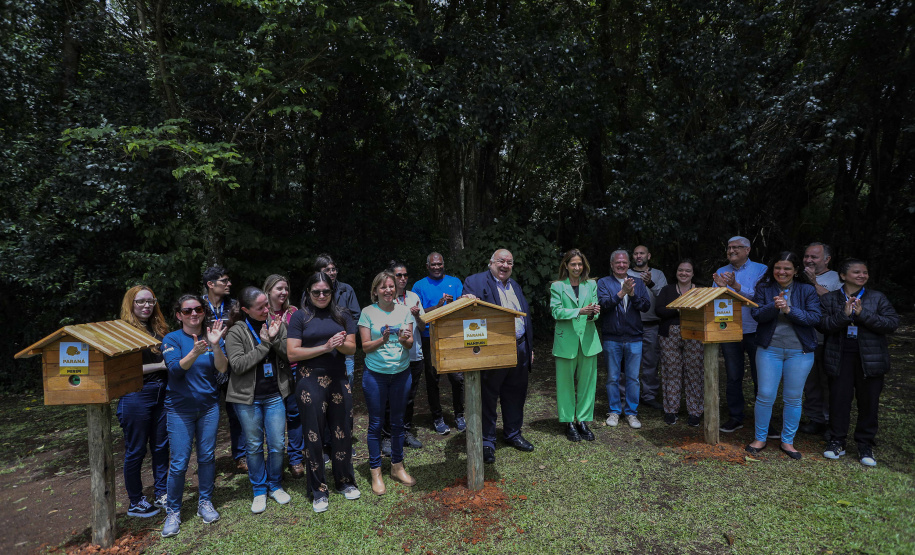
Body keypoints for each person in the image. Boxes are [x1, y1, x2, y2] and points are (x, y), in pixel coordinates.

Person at [288, 272, 360, 511]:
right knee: (314, 434)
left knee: (343, 431)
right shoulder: (300, 317)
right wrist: (325, 347)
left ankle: (344, 481)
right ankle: (318, 489)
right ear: (308, 292)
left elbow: (352, 349)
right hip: (309, 379)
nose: (321, 295)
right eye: (316, 291)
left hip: (339, 378)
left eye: (326, 292)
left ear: (332, 292)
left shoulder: (342, 315)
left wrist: (339, 345)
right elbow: (292, 353)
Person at [819, 259, 899, 467]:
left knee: (869, 402)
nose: (862, 275)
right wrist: (844, 315)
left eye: (865, 272)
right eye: (856, 272)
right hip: (840, 356)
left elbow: (891, 324)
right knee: (839, 400)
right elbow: (823, 325)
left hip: (870, 359)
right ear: (843, 276)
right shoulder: (829, 299)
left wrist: (863, 314)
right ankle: (837, 441)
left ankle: (865, 444)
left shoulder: (877, 298)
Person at [160, 294, 227, 537]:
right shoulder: (172, 339)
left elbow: (222, 368)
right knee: (179, 463)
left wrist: (216, 344)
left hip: (209, 407)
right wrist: (196, 351)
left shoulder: (212, 336)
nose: (193, 314)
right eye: (187, 311)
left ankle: (204, 503)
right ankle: (173, 512)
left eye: (197, 309)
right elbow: (176, 369)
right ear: (179, 315)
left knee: (207, 457)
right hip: (180, 410)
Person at [745, 252, 821, 460]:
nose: (782, 272)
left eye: (787, 268)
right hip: (770, 350)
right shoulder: (764, 289)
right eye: (778, 267)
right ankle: (760, 438)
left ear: (796, 271)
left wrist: (789, 310)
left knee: (793, 398)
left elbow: (814, 318)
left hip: (800, 352)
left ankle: (787, 441)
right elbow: (757, 314)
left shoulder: (806, 290)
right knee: (765, 395)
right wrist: (774, 306)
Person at [225, 287, 292, 514]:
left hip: (274, 395)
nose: (267, 310)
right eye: (261, 307)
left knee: (277, 444)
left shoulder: (277, 324)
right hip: (247, 400)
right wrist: (264, 345)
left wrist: (273, 339)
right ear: (246, 310)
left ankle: (275, 485)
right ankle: (259, 490)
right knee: (253, 446)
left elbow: (289, 354)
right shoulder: (236, 331)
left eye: (267, 305)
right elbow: (238, 365)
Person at [464, 249, 535, 464]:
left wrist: (529, 347)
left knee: (516, 392)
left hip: (520, 348)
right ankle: (487, 442)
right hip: (492, 349)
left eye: (509, 262)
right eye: (501, 261)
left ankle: (513, 433)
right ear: (490, 263)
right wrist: (466, 300)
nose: (505, 265)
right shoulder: (474, 282)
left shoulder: (515, 286)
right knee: (488, 395)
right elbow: (467, 311)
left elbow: (525, 317)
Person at [359, 271, 417, 494]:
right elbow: (364, 347)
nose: (388, 290)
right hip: (375, 375)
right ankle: (376, 471)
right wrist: (381, 340)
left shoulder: (403, 311)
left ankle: (397, 466)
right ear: (375, 291)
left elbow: (409, 343)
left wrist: (405, 340)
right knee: (375, 424)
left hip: (401, 373)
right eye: (383, 287)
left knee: (398, 422)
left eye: (391, 286)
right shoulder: (367, 313)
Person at [117, 285, 170, 518]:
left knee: (161, 446)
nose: (147, 306)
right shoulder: (122, 331)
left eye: (151, 301)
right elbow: (121, 370)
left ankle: (162, 494)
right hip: (136, 394)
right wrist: (159, 366)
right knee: (136, 450)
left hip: (162, 392)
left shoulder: (158, 328)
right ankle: (136, 501)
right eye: (140, 302)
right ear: (131, 304)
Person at [712, 236, 767, 433]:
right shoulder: (720, 272)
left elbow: (760, 298)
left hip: (756, 330)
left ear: (748, 250)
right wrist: (719, 289)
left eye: (737, 247)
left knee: (760, 376)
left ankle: (763, 419)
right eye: (729, 247)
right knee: (733, 375)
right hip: (729, 330)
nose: (732, 250)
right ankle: (736, 417)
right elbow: (714, 302)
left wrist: (735, 287)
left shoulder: (761, 270)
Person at [411, 252, 467, 434]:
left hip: (452, 335)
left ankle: (460, 415)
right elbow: (418, 314)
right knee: (432, 378)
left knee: (457, 378)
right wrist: (439, 304)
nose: (437, 267)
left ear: (444, 265)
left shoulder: (455, 282)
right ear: (427, 266)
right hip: (429, 336)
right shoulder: (419, 286)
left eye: (439, 264)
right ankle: (437, 417)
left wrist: (453, 303)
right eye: (433, 265)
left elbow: (462, 305)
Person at [550, 249, 601, 442]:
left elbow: (594, 314)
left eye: (580, 264)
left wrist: (592, 312)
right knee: (565, 384)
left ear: (584, 266)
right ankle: (568, 421)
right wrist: (579, 310)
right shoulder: (557, 286)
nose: (577, 268)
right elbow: (556, 312)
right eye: (573, 264)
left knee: (588, 384)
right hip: (566, 341)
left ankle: (583, 421)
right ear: (566, 265)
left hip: (588, 341)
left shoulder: (591, 285)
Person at [597, 250, 650, 429]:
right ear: (612, 264)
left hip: (635, 337)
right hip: (612, 337)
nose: (621, 265)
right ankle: (614, 411)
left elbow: (645, 305)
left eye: (624, 262)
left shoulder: (639, 282)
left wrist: (633, 294)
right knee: (612, 377)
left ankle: (631, 413)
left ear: (628, 264)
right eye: (617, 262)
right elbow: (603, 305)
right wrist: (621, 293)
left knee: (633, 378)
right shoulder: (604, 282)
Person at [201, 266, 246, 472]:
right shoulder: (196, 306)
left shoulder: (236, 305)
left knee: (236, 412)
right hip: (205, 367)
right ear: (211, 284)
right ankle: (205, 459)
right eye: (224, 281)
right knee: (206, 414)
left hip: (232, 366)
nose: (229, 284)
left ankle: (241, 455)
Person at [263, 274, 305, 479]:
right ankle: (275, 459)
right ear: (268, 290)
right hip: (274, 372)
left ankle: (296, 458)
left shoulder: (294, 312)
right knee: (275, 417)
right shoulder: (262, 313)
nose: (283, 292)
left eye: (286, 288)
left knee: (295, 415)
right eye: (279, 288)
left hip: (297, 368)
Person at [800, 243, 843, 435]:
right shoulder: (798, 276)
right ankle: (815, 418)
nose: (809, 260)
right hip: (805, 339)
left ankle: (830, 421)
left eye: (814, 257)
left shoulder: (836, 279)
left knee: (828, 383)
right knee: (810, 382)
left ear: (827, 259)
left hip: (828, 340)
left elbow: (839, 304)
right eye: (806, 256)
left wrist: (814, 283)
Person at [655, 260, 704, 427]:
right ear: (676, 272)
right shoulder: (667, 290)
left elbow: (705, 310)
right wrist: (678, 308)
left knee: (694, 372)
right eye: (680, 270)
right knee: (671, 371)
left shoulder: (700, 290)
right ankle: (671, 410)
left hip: (695, 333)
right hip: (669, 334)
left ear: (693, 273)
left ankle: (695, 412)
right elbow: (659, 310)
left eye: (687, 271)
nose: (684, 273)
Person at [385, 261, 426, 451]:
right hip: (392, 356)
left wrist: (416, 316)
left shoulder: (414, 297)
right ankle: (387, 436)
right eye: (398, 275)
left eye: (405, 275)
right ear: (391, 277)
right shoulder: (385, 298)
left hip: (414, 355)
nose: (402, 278)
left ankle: (405, 431)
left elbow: (423, 326)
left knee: (409, 397)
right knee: (388, 398)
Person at [628, 245, 668, 410]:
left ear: (648, 255)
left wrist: (650, 283)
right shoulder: (626, 273)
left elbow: (665, 297)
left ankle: (649, 396)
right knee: (629, 362)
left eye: (642, 253)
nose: (638, 256)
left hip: (652, 324)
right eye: (636, 253)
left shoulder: (658, 274)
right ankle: (629, 396)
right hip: (630, 324)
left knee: (651, 362)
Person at [313, 254, 361, 384]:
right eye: (327, 270)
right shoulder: (311, 292)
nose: (332, 272)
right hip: (320, 347)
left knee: (346, 381)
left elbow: (356, 316)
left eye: (333, 269)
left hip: (344, 347)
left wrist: (348, 336)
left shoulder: (346, 289)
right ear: (317, 273)